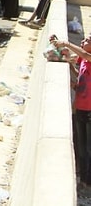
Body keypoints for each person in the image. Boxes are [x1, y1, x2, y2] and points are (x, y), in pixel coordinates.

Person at [51, 34, 91, 187]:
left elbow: (85, 54)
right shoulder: (84, 61)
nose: (83, 41)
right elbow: (80, 76)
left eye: (87, 41)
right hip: (80, 108)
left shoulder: (88, 57)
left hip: (88, 110)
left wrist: (66, 43)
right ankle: (82, 176)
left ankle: (87, 180)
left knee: (87, 146)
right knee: (80, 143)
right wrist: (68, 65)